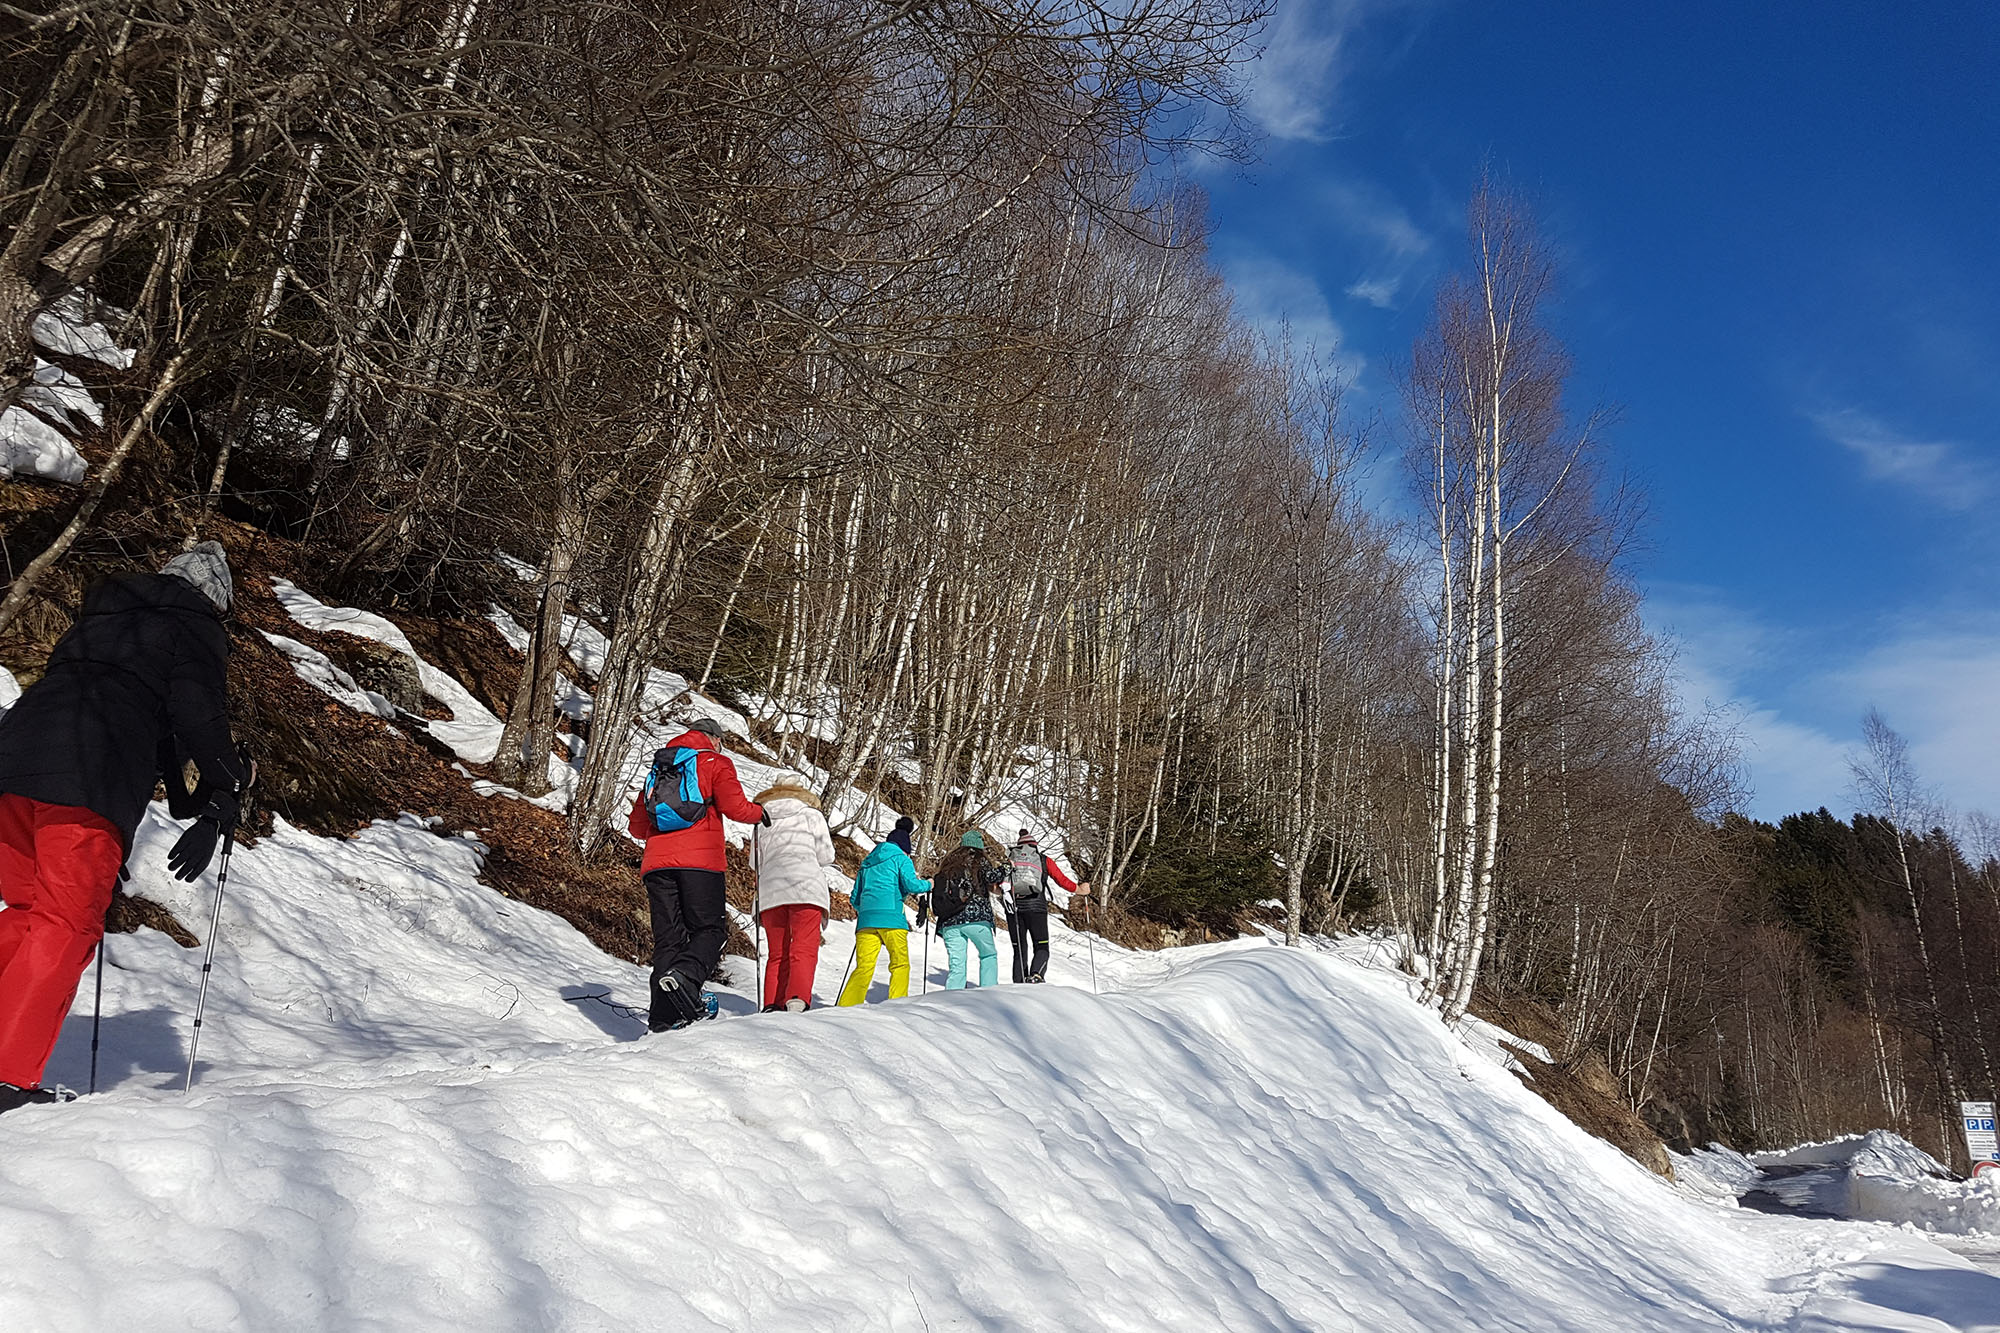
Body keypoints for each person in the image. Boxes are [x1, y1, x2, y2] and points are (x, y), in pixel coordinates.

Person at [0, 542, 249, 1111]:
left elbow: (156, 730)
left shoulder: (108, 616)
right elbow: (199, 717)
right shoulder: (193, 624)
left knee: (28, 914)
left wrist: (193, 800)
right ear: (215, 600)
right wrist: (227, 789)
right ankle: (8, 1075)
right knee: (64, 924)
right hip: (87, 774)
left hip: (13, 763)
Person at [626, 717, 765, 1031]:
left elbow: (636, 826)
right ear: (714, 739)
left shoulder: (659, 768)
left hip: (657, 866)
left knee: (668, 941)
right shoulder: (714, 762)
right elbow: (736, 808)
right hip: (700, 864)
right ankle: (687, 977)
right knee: (710, 931)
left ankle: (662, 1019)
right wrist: (760, 813)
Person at [750, 776, 835, 1013]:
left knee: (777, 953)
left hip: (771, 890)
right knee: (803, 947)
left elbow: (755, 862)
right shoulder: (811, 815)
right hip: (806, 888)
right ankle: (796, 999)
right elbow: (826, 856)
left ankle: (771, 1003)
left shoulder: (761, 819)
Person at [836, 823, 929, 1006]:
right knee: (900, 964)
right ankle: (896, 1004)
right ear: (905, 848)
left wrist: (867, 910)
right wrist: (929, 884)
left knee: (863, 967)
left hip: (866, 921)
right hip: (892, 918)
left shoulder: (868, 862)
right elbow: (912, 885)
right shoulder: (901, 859)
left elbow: (855, 897)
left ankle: (846, 1006)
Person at [1005, 829, 1085, 984]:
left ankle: (1018, 982)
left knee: (1019, 948)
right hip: (1037, 908)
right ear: (1035, 846)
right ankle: (1036, 975)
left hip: (1014, 909)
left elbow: (999, 884)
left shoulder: (1010, 860)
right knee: (1041, 945)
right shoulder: (1043, 860)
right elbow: (1062, 880)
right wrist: (1080, 889)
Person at [930, 831, 1006, 990]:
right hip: (976, 918)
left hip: (949, 920)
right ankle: (989, 992)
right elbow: (992, 877)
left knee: (957, 965)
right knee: (988, 955)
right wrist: (1007, 867)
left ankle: (951, 998)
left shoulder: (949, 863)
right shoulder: (978, 859)